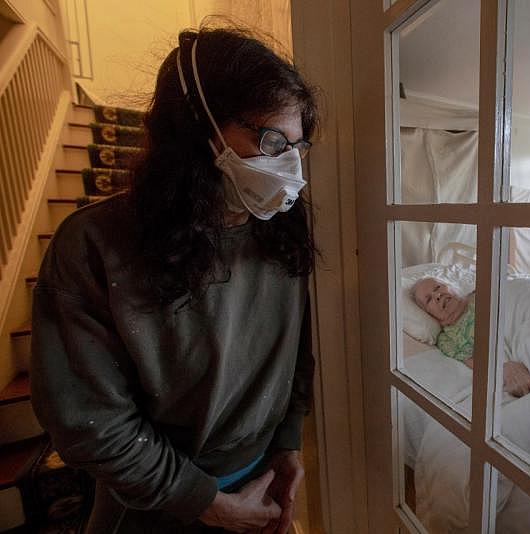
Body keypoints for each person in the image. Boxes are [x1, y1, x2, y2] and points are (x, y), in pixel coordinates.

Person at [30, 25, 317, 533]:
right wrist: (207, 503)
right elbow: (88, 422)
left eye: (297, 146)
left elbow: (296, 352)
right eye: (270, 141)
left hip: (259, 484)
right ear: (195, 129)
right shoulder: (95, 246)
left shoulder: (281, 229)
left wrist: (287, 443)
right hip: (152, 506)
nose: (289, 168)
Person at [412, 278, 530, 397]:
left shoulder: (480, 294)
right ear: (428, 314)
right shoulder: (446, 340)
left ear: (450, 286)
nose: (437, 295)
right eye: (429, 300)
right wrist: (503, 368)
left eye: (438, 287)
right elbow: (474, 362)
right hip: (510, 360)